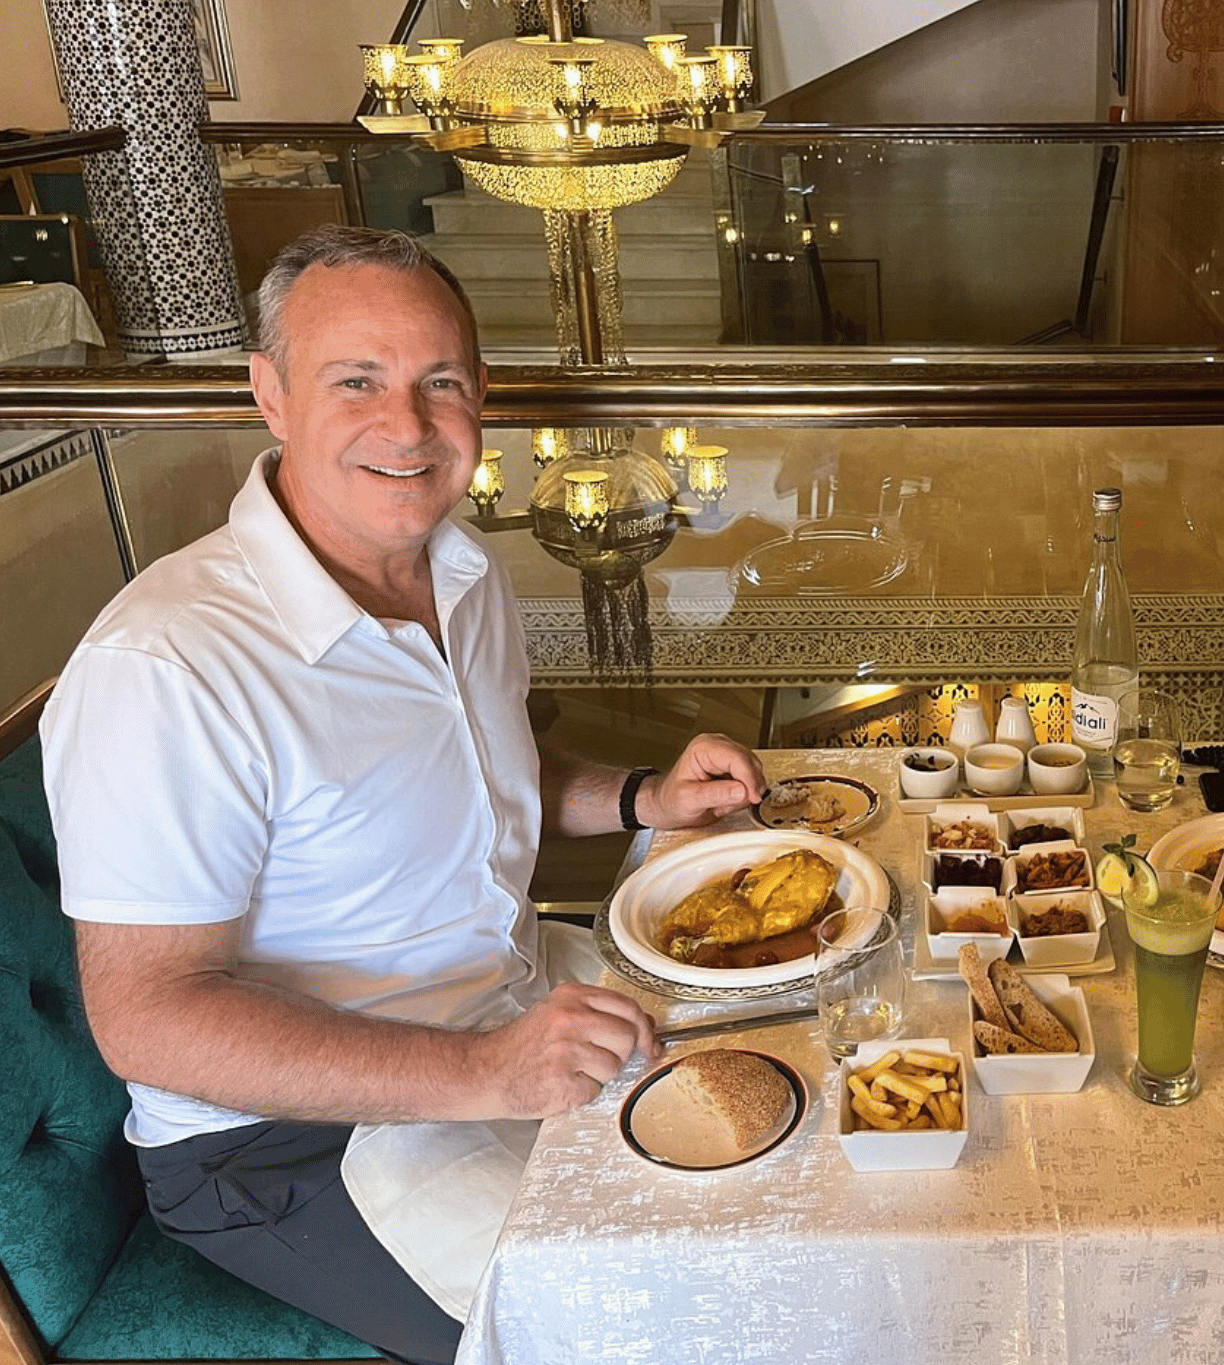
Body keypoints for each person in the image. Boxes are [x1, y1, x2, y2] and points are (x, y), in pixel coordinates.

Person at [39, 225, 766, 1365]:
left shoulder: (460, 569)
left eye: (440, 382)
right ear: (269, 394)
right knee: (669, 1329)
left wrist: (643, 798)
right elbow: (150, 1017)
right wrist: (485, 1072)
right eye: (356, 382)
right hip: (287, 1142)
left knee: (805, 1087)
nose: (408, 426)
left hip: (510, 1002)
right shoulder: (169, 665)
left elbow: (480, 776)